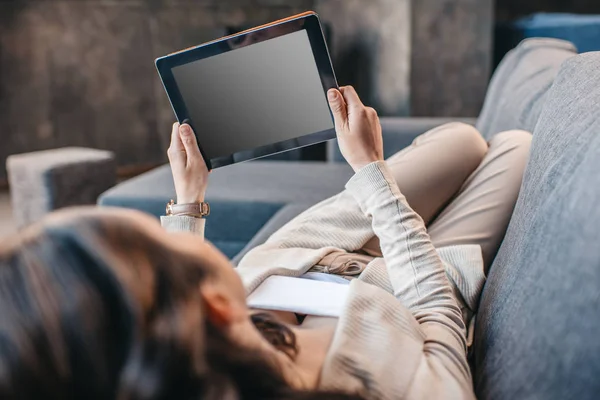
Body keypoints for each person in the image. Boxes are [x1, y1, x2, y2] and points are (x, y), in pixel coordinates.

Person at [0, 86, 531, 399]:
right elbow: (437, 310)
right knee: (515, 146)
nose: (178, 235)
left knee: (463, 140)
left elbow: (171, 299)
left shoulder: (184, 363)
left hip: (310, 248)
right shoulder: (372, 384)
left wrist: (189, 197)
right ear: (210, 303)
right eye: (166, 244)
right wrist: (370, 171)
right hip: (411, 283)